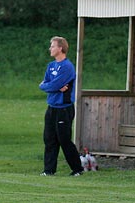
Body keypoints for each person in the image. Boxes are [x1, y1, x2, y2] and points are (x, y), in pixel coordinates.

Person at [39, 36, 85, 177]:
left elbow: (53, 84)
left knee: (64, 139)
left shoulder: (67, 67)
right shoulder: (51, 66)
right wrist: (49, 86)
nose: (50, 49)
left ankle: (77, 169)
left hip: (64, 108)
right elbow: (45, 84)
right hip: (51, 107)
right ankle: (49, 170)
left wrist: (51, 86)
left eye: (52, 46)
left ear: (60, 48)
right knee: (49, 139)